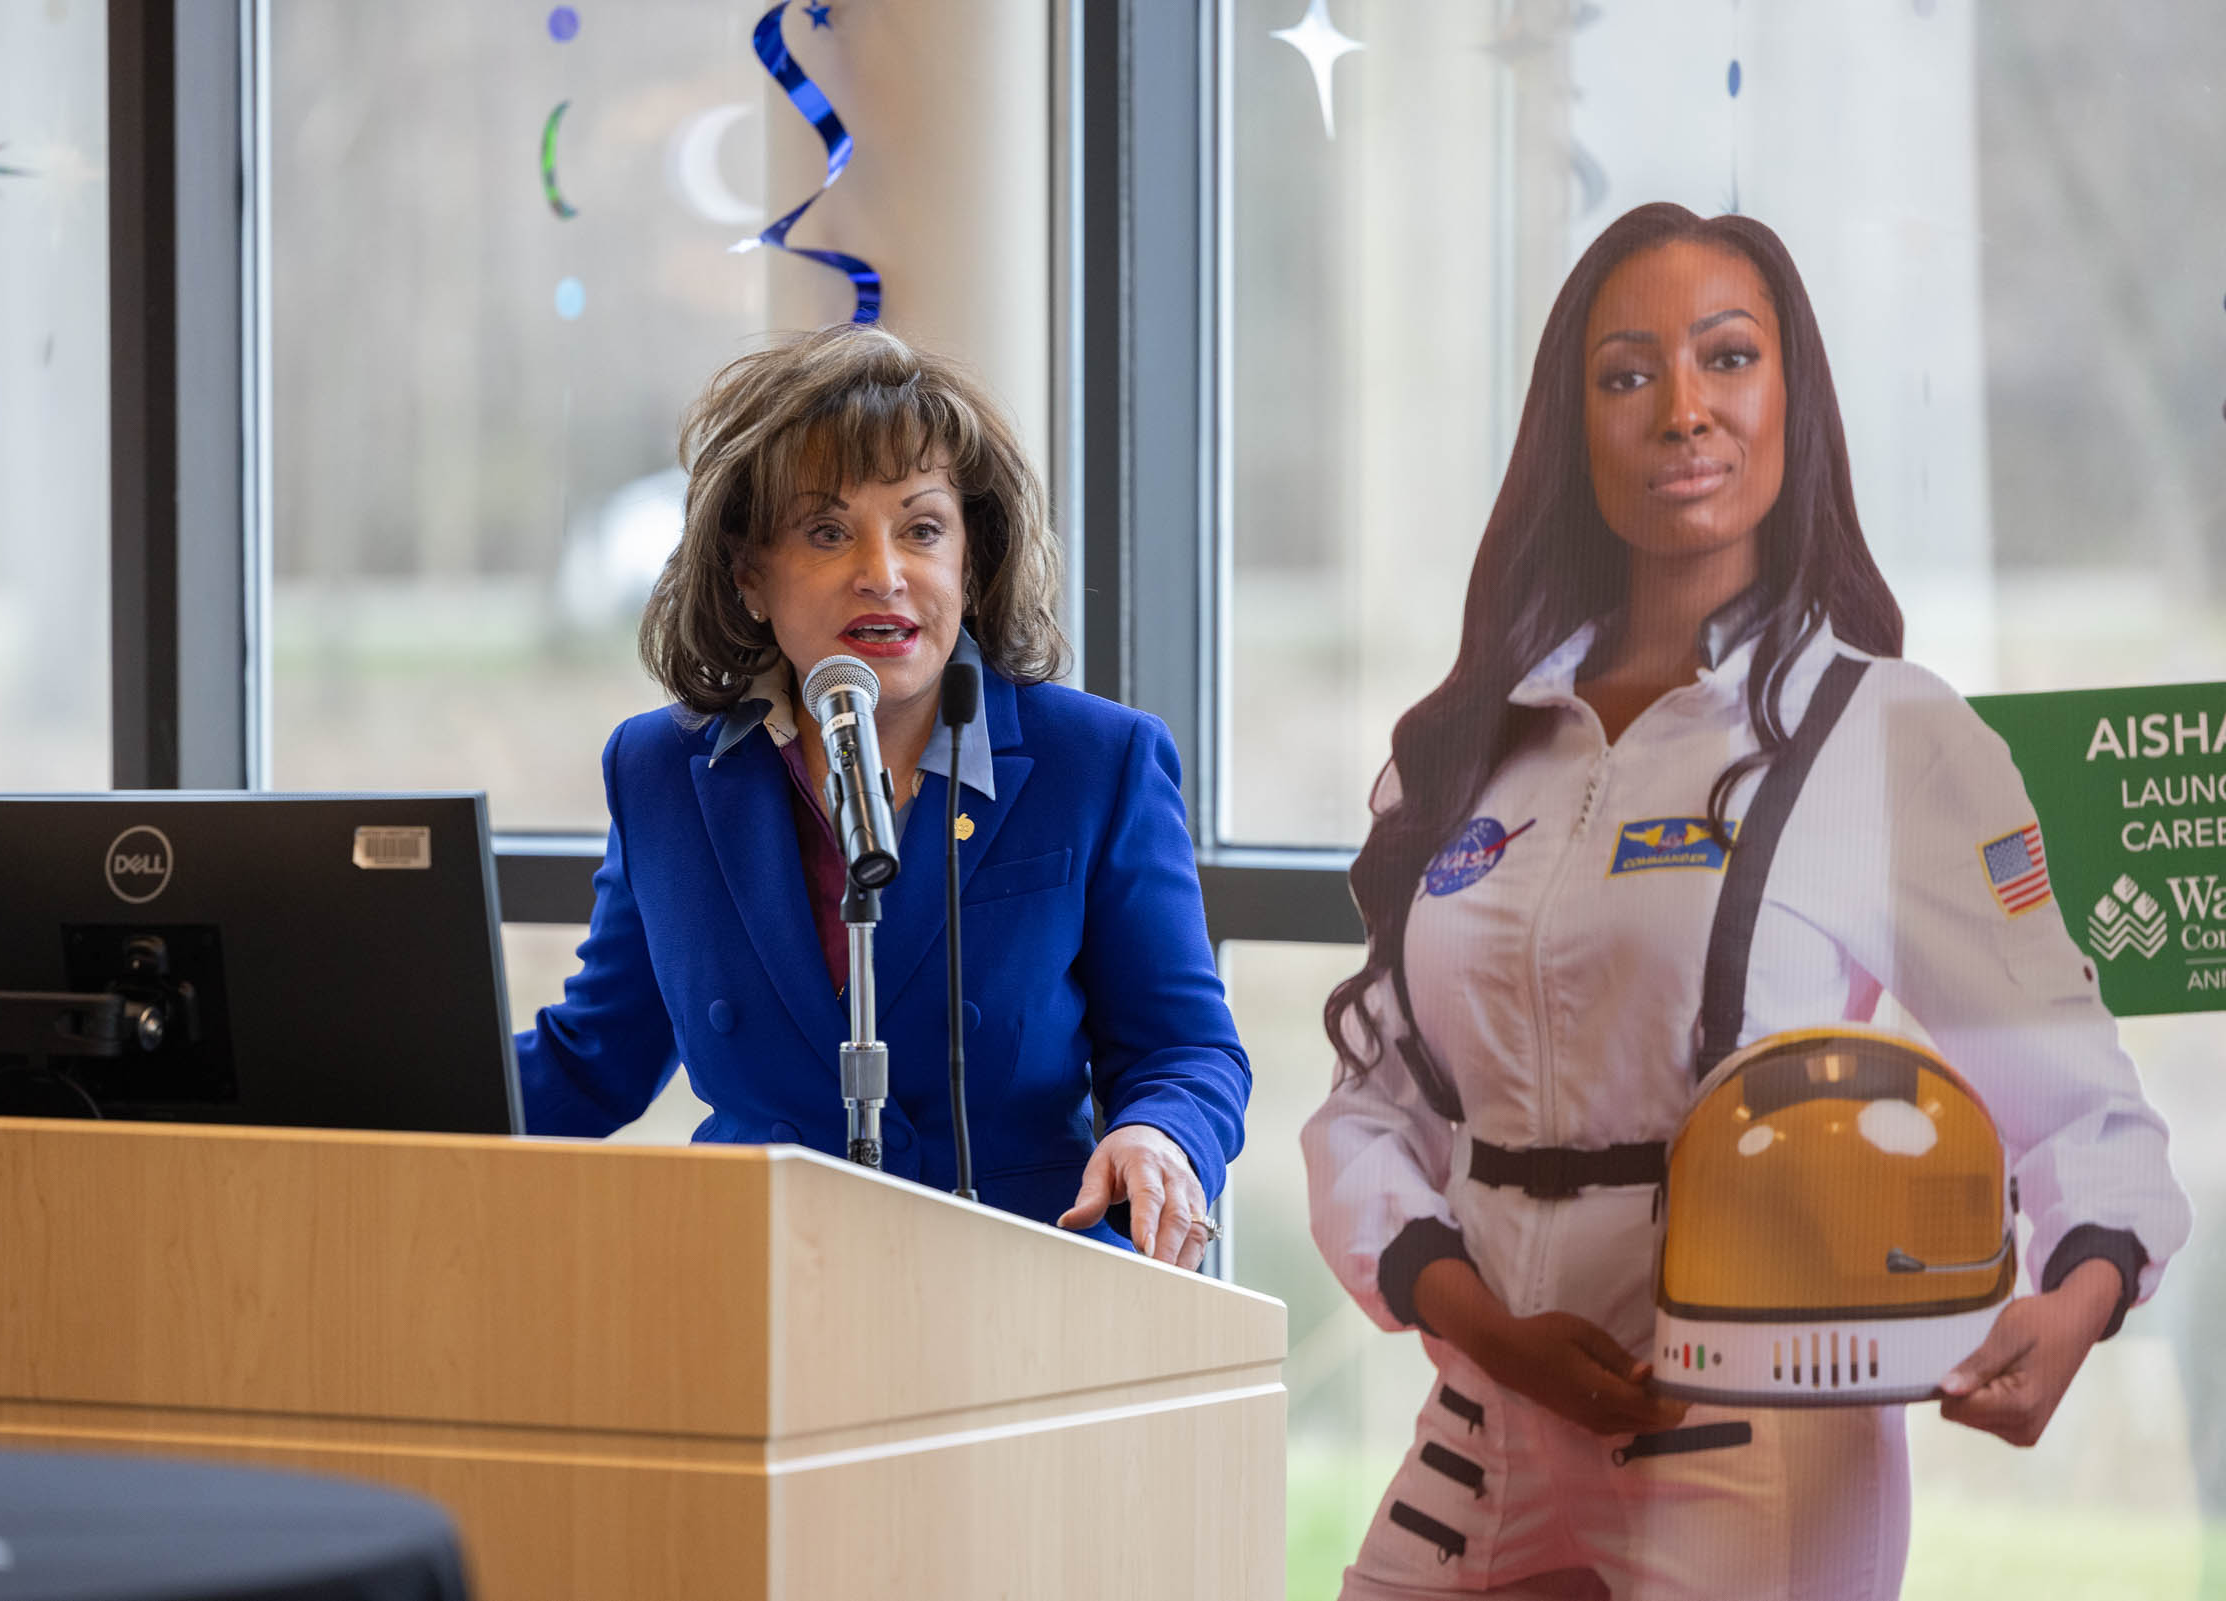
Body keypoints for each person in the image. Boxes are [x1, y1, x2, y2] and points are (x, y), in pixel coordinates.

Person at [1303, 203, 2192, 1598]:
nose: (1683, 411)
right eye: (1627, 374)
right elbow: (1372, 1114)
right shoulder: (1481, 741)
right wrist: (1482, 1321)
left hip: (1746, 1429)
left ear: (1794, 403)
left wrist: (2073, 1301)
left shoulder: (1892, 737)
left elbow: (2077, 1100)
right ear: (1573, 427)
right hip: (1485, 1407)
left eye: (1728, 358)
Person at [518, 323, 1248, 1267]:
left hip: (1025, 1295)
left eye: (922, 529)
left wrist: (1161, 1135)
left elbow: (1186, 1051)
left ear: (968, 564)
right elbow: (591, 1063)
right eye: (828, 531)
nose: (884, 571)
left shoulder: (1096, 762)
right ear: (748, 574)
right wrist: (342, 1098)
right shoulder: (663, 773)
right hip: (758, 1292)